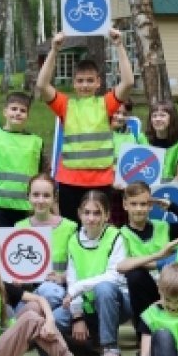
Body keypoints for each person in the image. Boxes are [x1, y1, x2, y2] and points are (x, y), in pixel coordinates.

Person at [35, 28, 135, 220]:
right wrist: (54, 50)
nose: (85, 85)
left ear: (98, 82)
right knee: (72, 229)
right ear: (74, 83)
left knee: (99, 229)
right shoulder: (65, 105)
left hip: (101, 180)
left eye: (90, 80)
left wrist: (119, 45)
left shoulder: (106, 104)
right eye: (80, 81)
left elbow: (128, 82)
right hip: (70, 181)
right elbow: (42, 85)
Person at [52, 190, 131, 356]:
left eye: (97, 213)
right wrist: (77, 316)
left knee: (104, 288)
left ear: (107, 215)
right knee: (55, 320)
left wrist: (79, 288)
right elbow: (72, 278)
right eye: (87, 213)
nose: (91, 218)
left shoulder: (116, 237)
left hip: (116, 304)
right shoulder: (74, 240)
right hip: (87, 305)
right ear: (79, 214)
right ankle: (93, 337)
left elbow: (114, 276)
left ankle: (110, 348)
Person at [114, 182, 172, 346]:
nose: (139, 209)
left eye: (144, 204)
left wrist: (171, 207)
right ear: (125, 205)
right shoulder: (120, 234)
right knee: (135, 275)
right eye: (134, 204)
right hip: (143, 290)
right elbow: (123, 264)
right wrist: (158, 258)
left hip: (169, 285)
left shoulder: (163, 226)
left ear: (151, 205)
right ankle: (143, 335)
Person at [0, 92, 46, 227]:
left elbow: (43, 173)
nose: (18, 113)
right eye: (14, 109)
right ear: (5, 112)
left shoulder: (36, 142)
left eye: (23, 110)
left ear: (28, 115)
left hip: (27, 207)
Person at [23, 174, 79, 308]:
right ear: (28, 196)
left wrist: (62, 277)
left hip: (59, 291)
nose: (40, 200)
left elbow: (78, 266)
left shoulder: (70, 227)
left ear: (55, 198)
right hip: (28, 293)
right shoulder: (19, 227)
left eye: (46, 195)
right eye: (36, 195)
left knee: (47, 293)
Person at [146, 100, 178, 182]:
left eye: (162, 115)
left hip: (169, 191)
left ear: (172, 118)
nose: (157, 119)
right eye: (154, 116)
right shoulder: (144, 142)